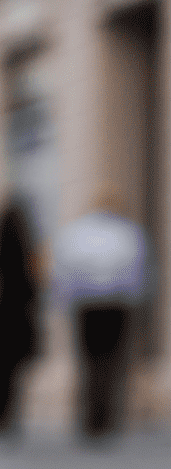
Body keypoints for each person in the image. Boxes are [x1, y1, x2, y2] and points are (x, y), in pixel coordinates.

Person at [51, 188, 151, 440]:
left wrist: (64, 300)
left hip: (88, 305)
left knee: (91, 363)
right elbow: (137, 272)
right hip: (114, 305)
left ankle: (92, 419)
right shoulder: (126, 232)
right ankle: (105, 418)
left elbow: (64, 271)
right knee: (111, 363)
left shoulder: (77, 232)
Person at [0, 200, 42, 436]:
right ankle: (6, 414)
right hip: (19, 314)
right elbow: (35, 283)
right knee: (12, 369)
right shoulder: (26, 253)